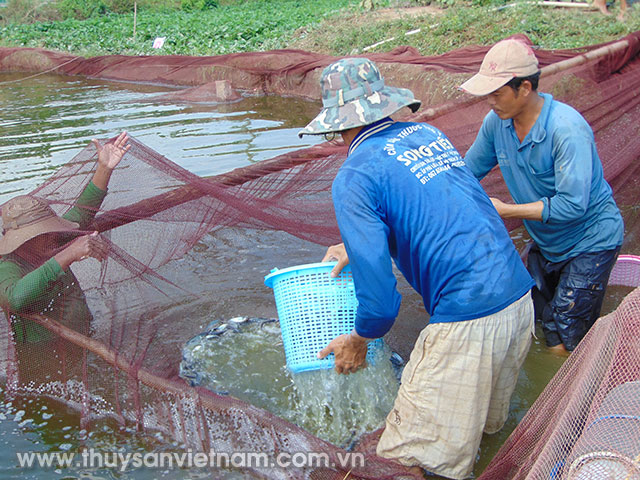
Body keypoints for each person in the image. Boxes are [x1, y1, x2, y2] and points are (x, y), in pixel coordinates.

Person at [298, 58, 535, 479]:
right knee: (480, 436)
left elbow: (381, 301)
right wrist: (361, 242)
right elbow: (444, 207)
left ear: (336, 126)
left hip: (468, 319)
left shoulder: (354, 174)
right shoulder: (427, 134)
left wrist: (359, 338)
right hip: (517, 299)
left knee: (398, 463)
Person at [459, 38, 624, 355]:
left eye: (497, 93)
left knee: (562, 333)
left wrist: (507, 211)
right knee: (532, 316)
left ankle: (566, 397)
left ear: (523, 88)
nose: (490, 101)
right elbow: (467, 173)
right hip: (548, 243)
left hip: (591, 239)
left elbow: (573, 205)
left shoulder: (566, 129)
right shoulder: (497, 124)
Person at [0, 131, 130, 345]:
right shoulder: (8, 267)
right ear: (25, 239)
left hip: (83, 339)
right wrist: (70, 253)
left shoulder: (49, 242)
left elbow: (81, 215)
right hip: (44, 356)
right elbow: (16, 299)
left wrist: (104, 168)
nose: (54, 235)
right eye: (45, 232)